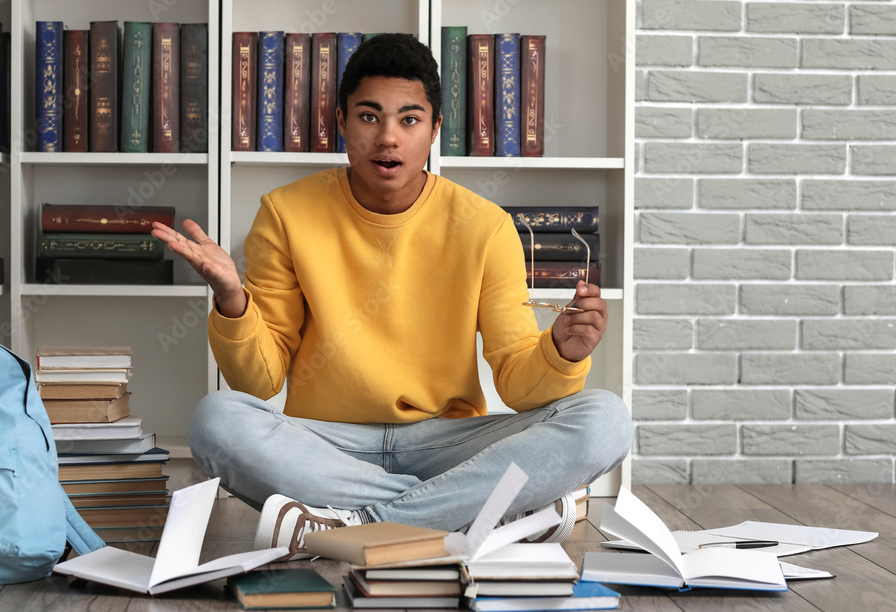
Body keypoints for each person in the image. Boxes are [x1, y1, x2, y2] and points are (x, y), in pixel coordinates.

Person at [151, 33, 631, 560]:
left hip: (448, 445)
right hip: (326, 446)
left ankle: (363, 525)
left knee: (606, 419)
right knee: (216, 420)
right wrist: (232, 301)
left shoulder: (485, 227)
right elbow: (257, 382)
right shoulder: (286, 214)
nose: (388, 138)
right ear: (341, 122)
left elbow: (518, 383)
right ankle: (486, 518)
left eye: (409, 119)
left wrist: (561, 354)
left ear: (434, 130)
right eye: (369, 116)